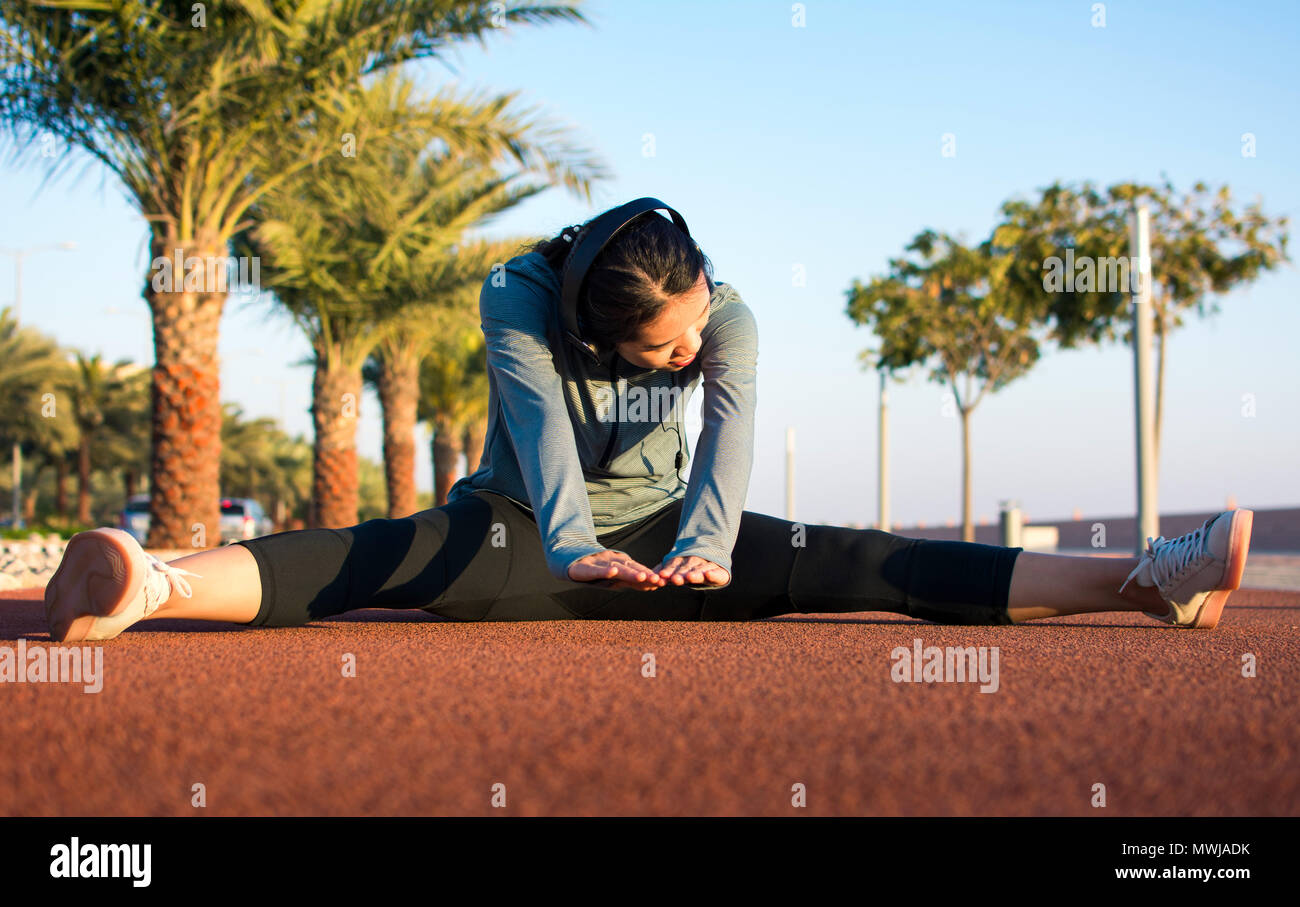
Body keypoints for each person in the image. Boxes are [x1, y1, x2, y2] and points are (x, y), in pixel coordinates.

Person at [44, 199, 1254, 643]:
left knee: (855, 559)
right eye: (662, 346)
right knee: (387, 556)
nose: (689, 344)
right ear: (598, 329)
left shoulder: (724, 316)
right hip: (527, 526)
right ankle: (147, 586)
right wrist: (569, 547)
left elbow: (726, 439)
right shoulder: (518, 301)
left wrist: (712, 546)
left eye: (691, 324)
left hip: (676, 539)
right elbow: (541, 428)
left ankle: (1144, 580)